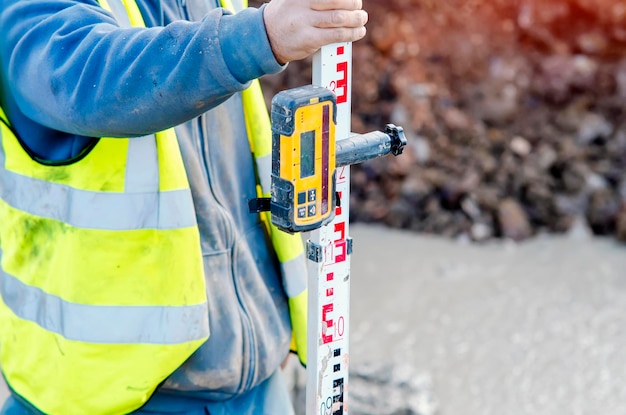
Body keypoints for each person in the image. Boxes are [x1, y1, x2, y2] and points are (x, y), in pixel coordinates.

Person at [0, 0, 367, 413]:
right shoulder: (29, 13)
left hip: (253, 379)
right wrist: (260, 36)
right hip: (107, 396)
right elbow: (89, 79)